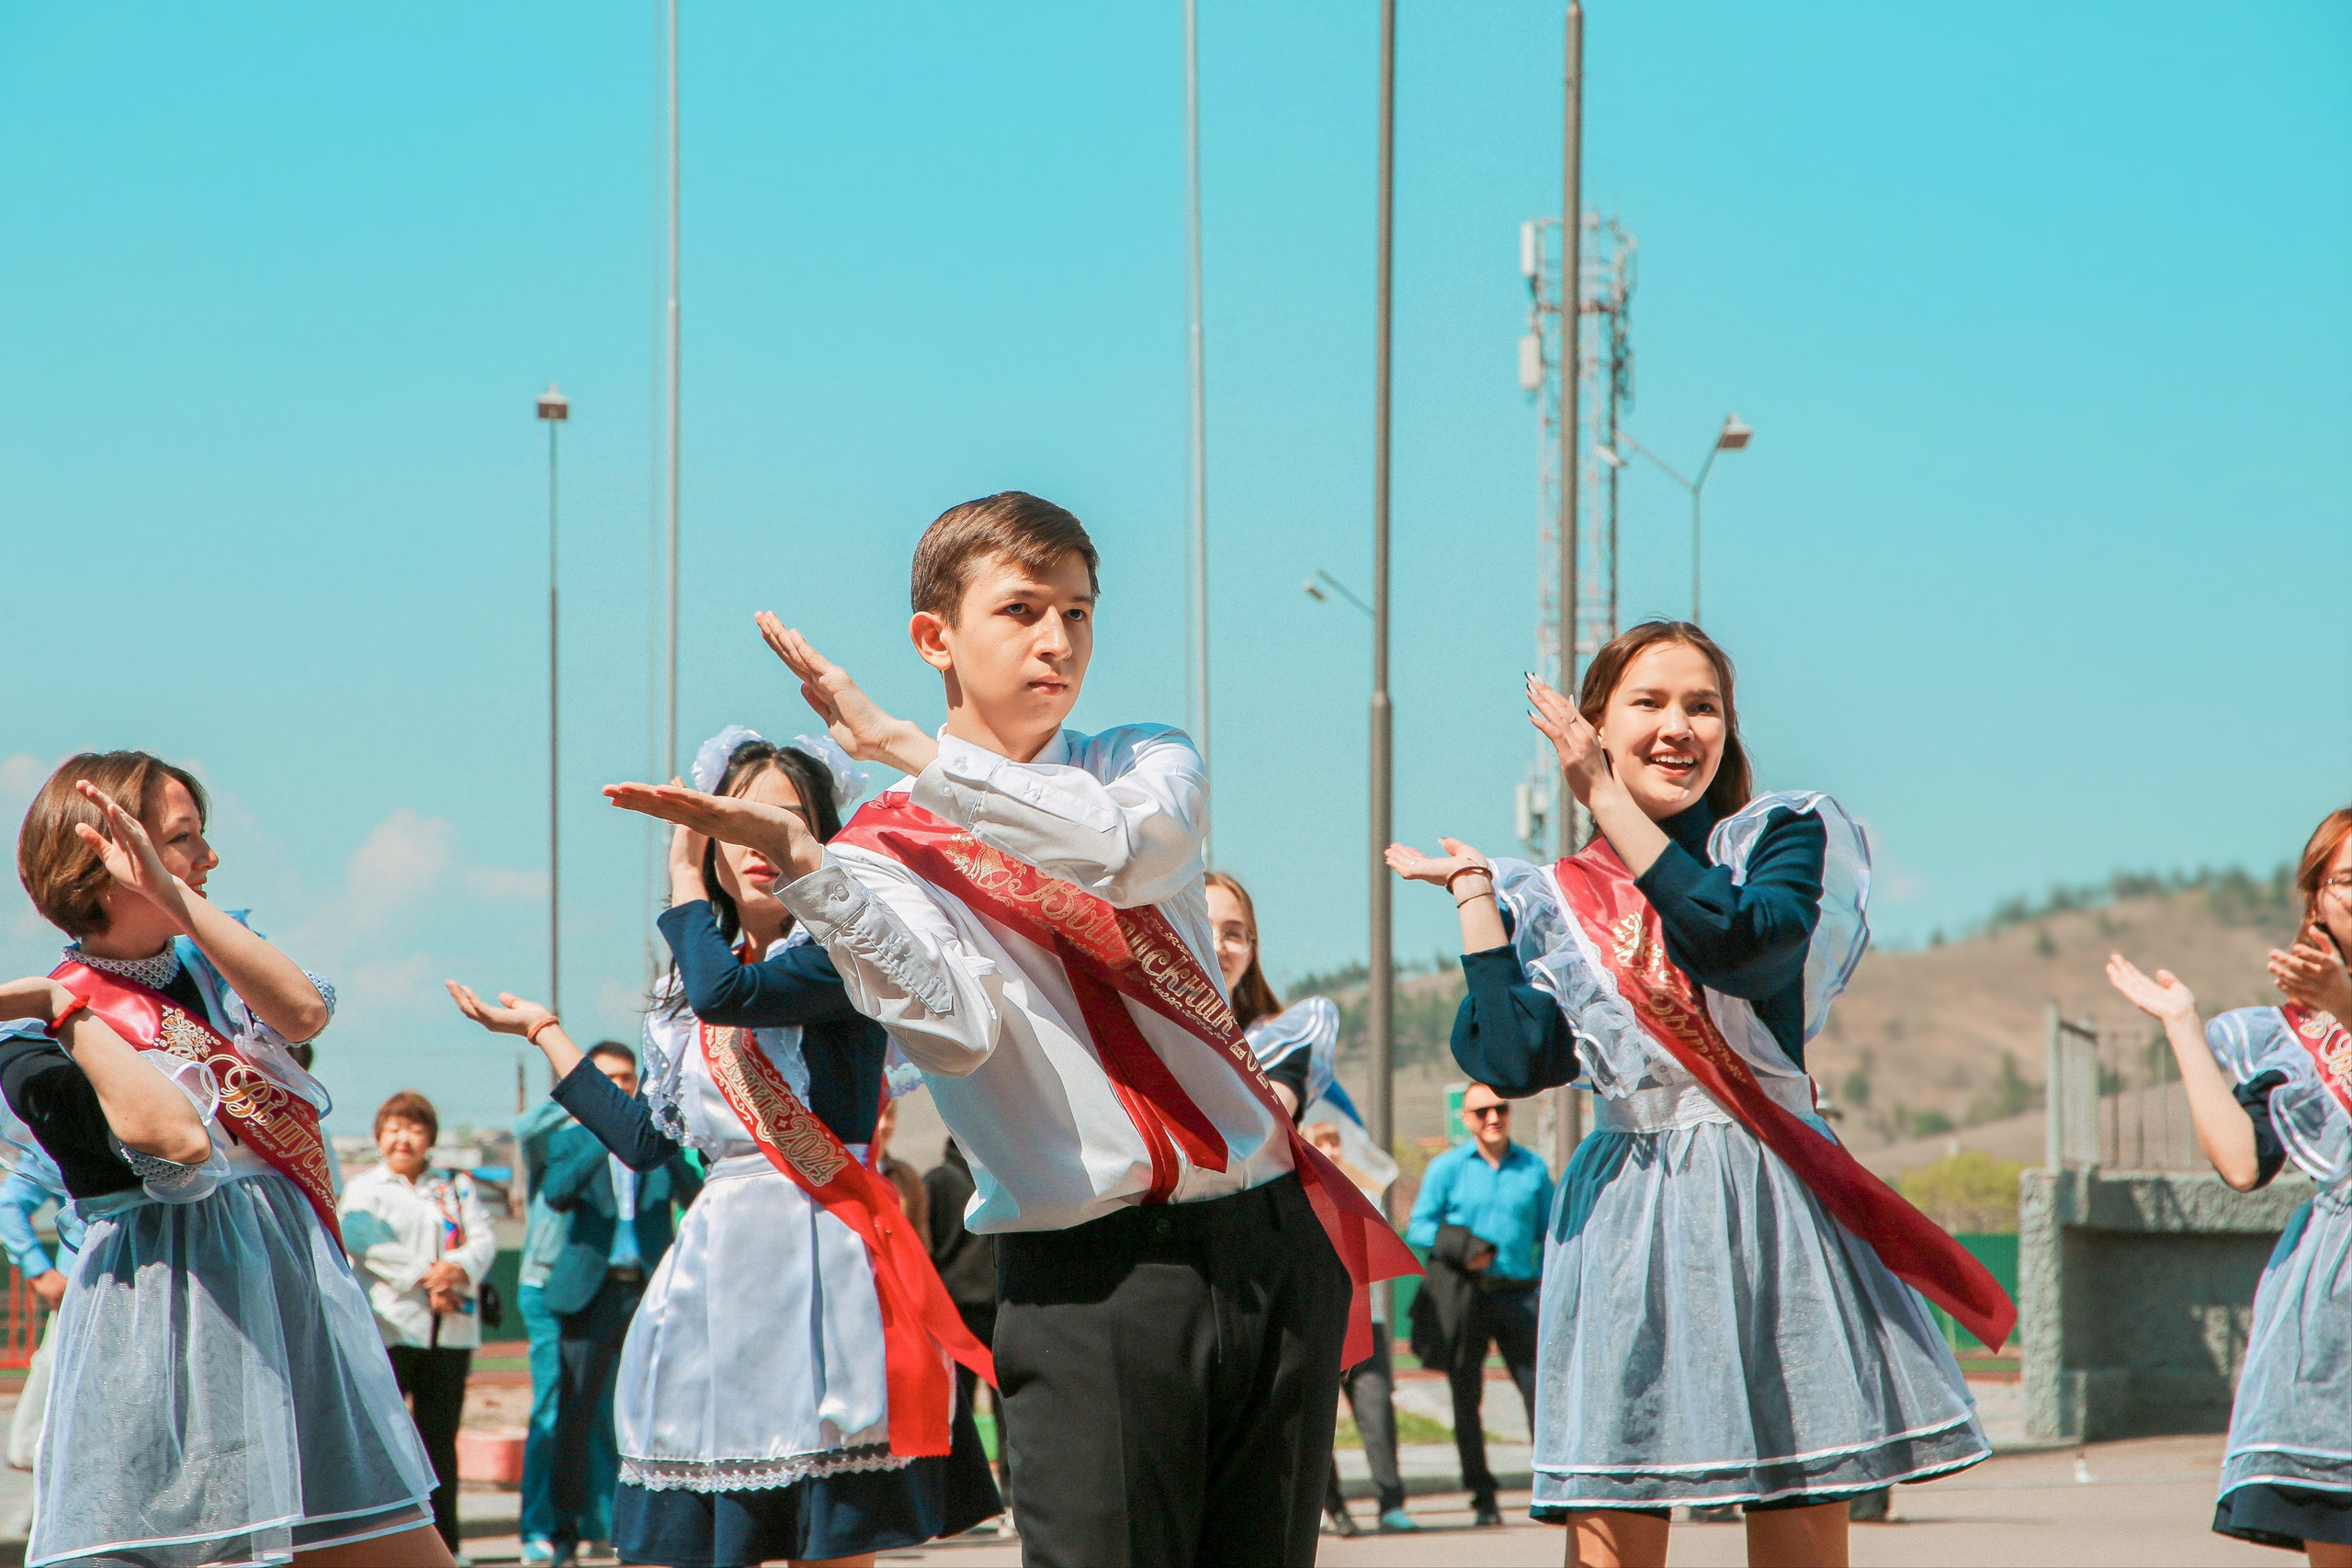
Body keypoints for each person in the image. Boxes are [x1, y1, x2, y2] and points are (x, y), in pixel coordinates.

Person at [603, 491, 1416, 1568]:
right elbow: (956, 1029)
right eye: (1022, 609)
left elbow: (1128, 852)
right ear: (934, 637)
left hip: (1268, 1244)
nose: (1057, 640)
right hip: (1093, 1280)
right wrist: (810, 869)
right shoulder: (878, 858)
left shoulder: (1139, 759)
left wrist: (913, 751)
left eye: (1078, 612)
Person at [1388, 623, 2007, 1568]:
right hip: (1626, 1207)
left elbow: (1737, 942)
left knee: (1796, 1506)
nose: (1678, 727)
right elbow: (1512, 1058)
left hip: (1770, 1194)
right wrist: (1478, 895)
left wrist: (1602, 796)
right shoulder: (1555, 897)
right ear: (1595, 723)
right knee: (1616, 1510)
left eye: (1701, 706)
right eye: (1648, 703)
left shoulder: (1775, 837)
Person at [455, 725, 999, 1568]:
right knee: (721, 1528)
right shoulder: (684, 988)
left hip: (825, 1250)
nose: (755, 840)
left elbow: (729, 994)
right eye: (735, 820)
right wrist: (548, 1032)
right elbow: (644, 1140)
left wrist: (676, 877)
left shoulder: (842, 954)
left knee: (832, 1526)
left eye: (784, 821)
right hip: (719, 1270)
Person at [1, 750, 447, 1567]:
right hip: (168, 1332)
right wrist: (67, 1011)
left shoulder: (222, 963)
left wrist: (173, 898)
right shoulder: (33, 1042)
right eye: (182, 840)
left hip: (289, 1302)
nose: (209, 859)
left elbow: (306, 1012)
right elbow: (178, 1149)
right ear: (102, 857)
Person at [2108, 807, 2352, 1567]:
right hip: (2333, 1329)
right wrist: (2183, 1025)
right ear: (2316, 899)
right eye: (2347, 879)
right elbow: (2243, 1163)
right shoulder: (2288, 1035)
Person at [1207, 869, 1417, 1539]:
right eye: (1205, 926)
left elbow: (1263, 1119)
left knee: (1259, 1505)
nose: (1221, 943)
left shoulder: (1293, 1028)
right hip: (1176, 1282)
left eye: (1235, 931)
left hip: (1267, 1271)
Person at [342, 1089, 502, 1555]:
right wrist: (427, 1274)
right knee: (386, 1446)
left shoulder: (454, 1185)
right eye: (393, 1129)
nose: (403, 1139)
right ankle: (384, 1548)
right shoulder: (365, 1188)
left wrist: (459, 1270)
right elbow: (363, 1238)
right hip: (390, 1331)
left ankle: (446, 1547)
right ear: (378, 1137)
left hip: (448, 1334)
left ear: (430, 1137)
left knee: (439, 1444)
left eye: (413, 1129)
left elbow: (484, 1237)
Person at [1406, 1082, 1549, 1529]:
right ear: (1466, 1120)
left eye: (1500, 1108)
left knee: (1540, 1395)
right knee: (1467, 1397)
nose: (1493, 1117)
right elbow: (1419, 1226)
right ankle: (1482, 1495)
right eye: (1482, 1111)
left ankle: (1550, 1489)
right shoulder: (1447, 1169)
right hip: (1466, 1295)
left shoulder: (1533, 1169)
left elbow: (1555, 1232)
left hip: (1520, 1294)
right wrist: (1465, 1245)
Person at [513, 1089, 619, 1565]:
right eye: (605, 1080)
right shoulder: (556, 1142)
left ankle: (599, 1521)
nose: (615, 1088)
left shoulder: (625, 1142)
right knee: (554, 1406)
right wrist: (583, 1094)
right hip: (546, 1284)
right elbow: (524, 1129)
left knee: (599, 1410)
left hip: (601, 1290)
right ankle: (538, 1526)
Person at [922, 1136, 1009, 1505]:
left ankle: (958, 1497)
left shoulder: (936, 1181)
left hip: (954, 1309)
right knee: (1006, 1406)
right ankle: (1010, 1490)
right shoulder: (999, 1177)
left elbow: (929, 1247)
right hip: (998, 1303)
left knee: (955, 1408)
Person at [0, 1138, 78, 1472]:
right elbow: (8, 1204)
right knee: (33, 1442)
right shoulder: (73, 1131)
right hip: (82, 1290)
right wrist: (40, 1272)